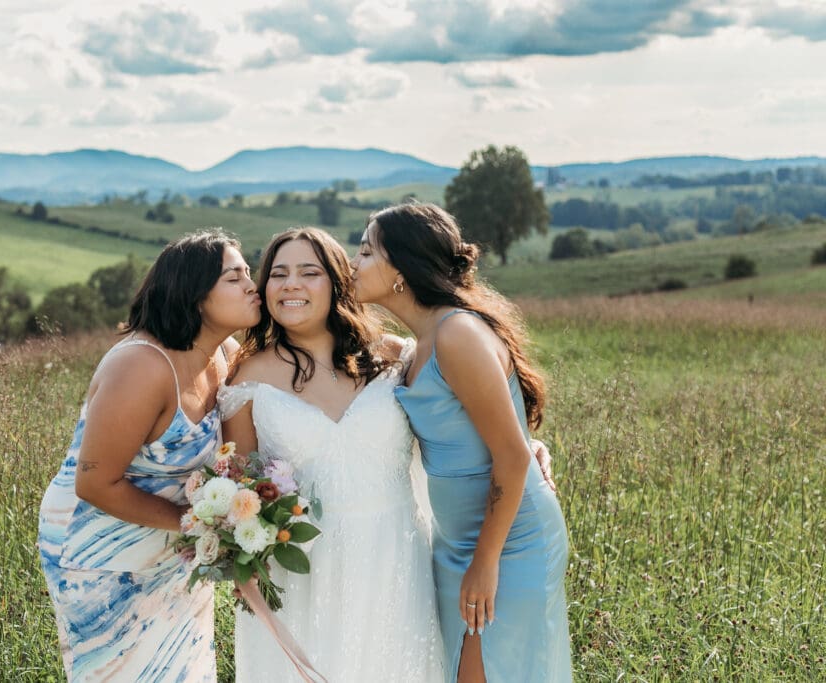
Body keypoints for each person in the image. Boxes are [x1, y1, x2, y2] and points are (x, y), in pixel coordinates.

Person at [350, 203, 572, 683]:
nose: (354, 262)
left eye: (366, 252)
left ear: (401, 271)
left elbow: (512, 455)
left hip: (509, 541)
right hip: (456, 542)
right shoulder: (417, 343)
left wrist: (485, 562)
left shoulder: (457, 335)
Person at [219, 227, 445, 683]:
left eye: (309, 272)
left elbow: (456, 430)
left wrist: (531, 447)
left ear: (337, 282)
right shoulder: (247, 375)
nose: (291, 285)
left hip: (394, 561)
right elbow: (240, 488)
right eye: (278, 274)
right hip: (302, 572)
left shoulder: (395, 358)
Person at [38, 230, 261, 682]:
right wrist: (198, 525)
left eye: (249, 274)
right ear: (196, 295)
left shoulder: (225, 353)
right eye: (235, 277)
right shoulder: (140, 366)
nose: (252, 285)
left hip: (173, 547)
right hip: (99, 551)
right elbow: (95, 483)